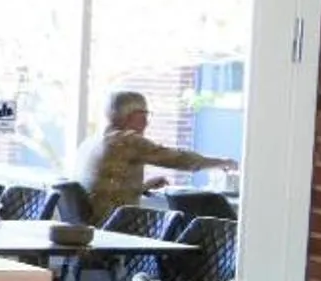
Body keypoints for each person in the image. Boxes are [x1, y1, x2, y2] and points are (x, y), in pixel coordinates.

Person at [75, 89, 233, 220]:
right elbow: (179, 159)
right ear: (130, 115)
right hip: (113, 225)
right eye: (144, 114)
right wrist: (222, 162)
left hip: (93, 226)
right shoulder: (126, 141)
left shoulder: (92, 141)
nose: (146, 122)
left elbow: (105, 190)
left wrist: (143, 187)